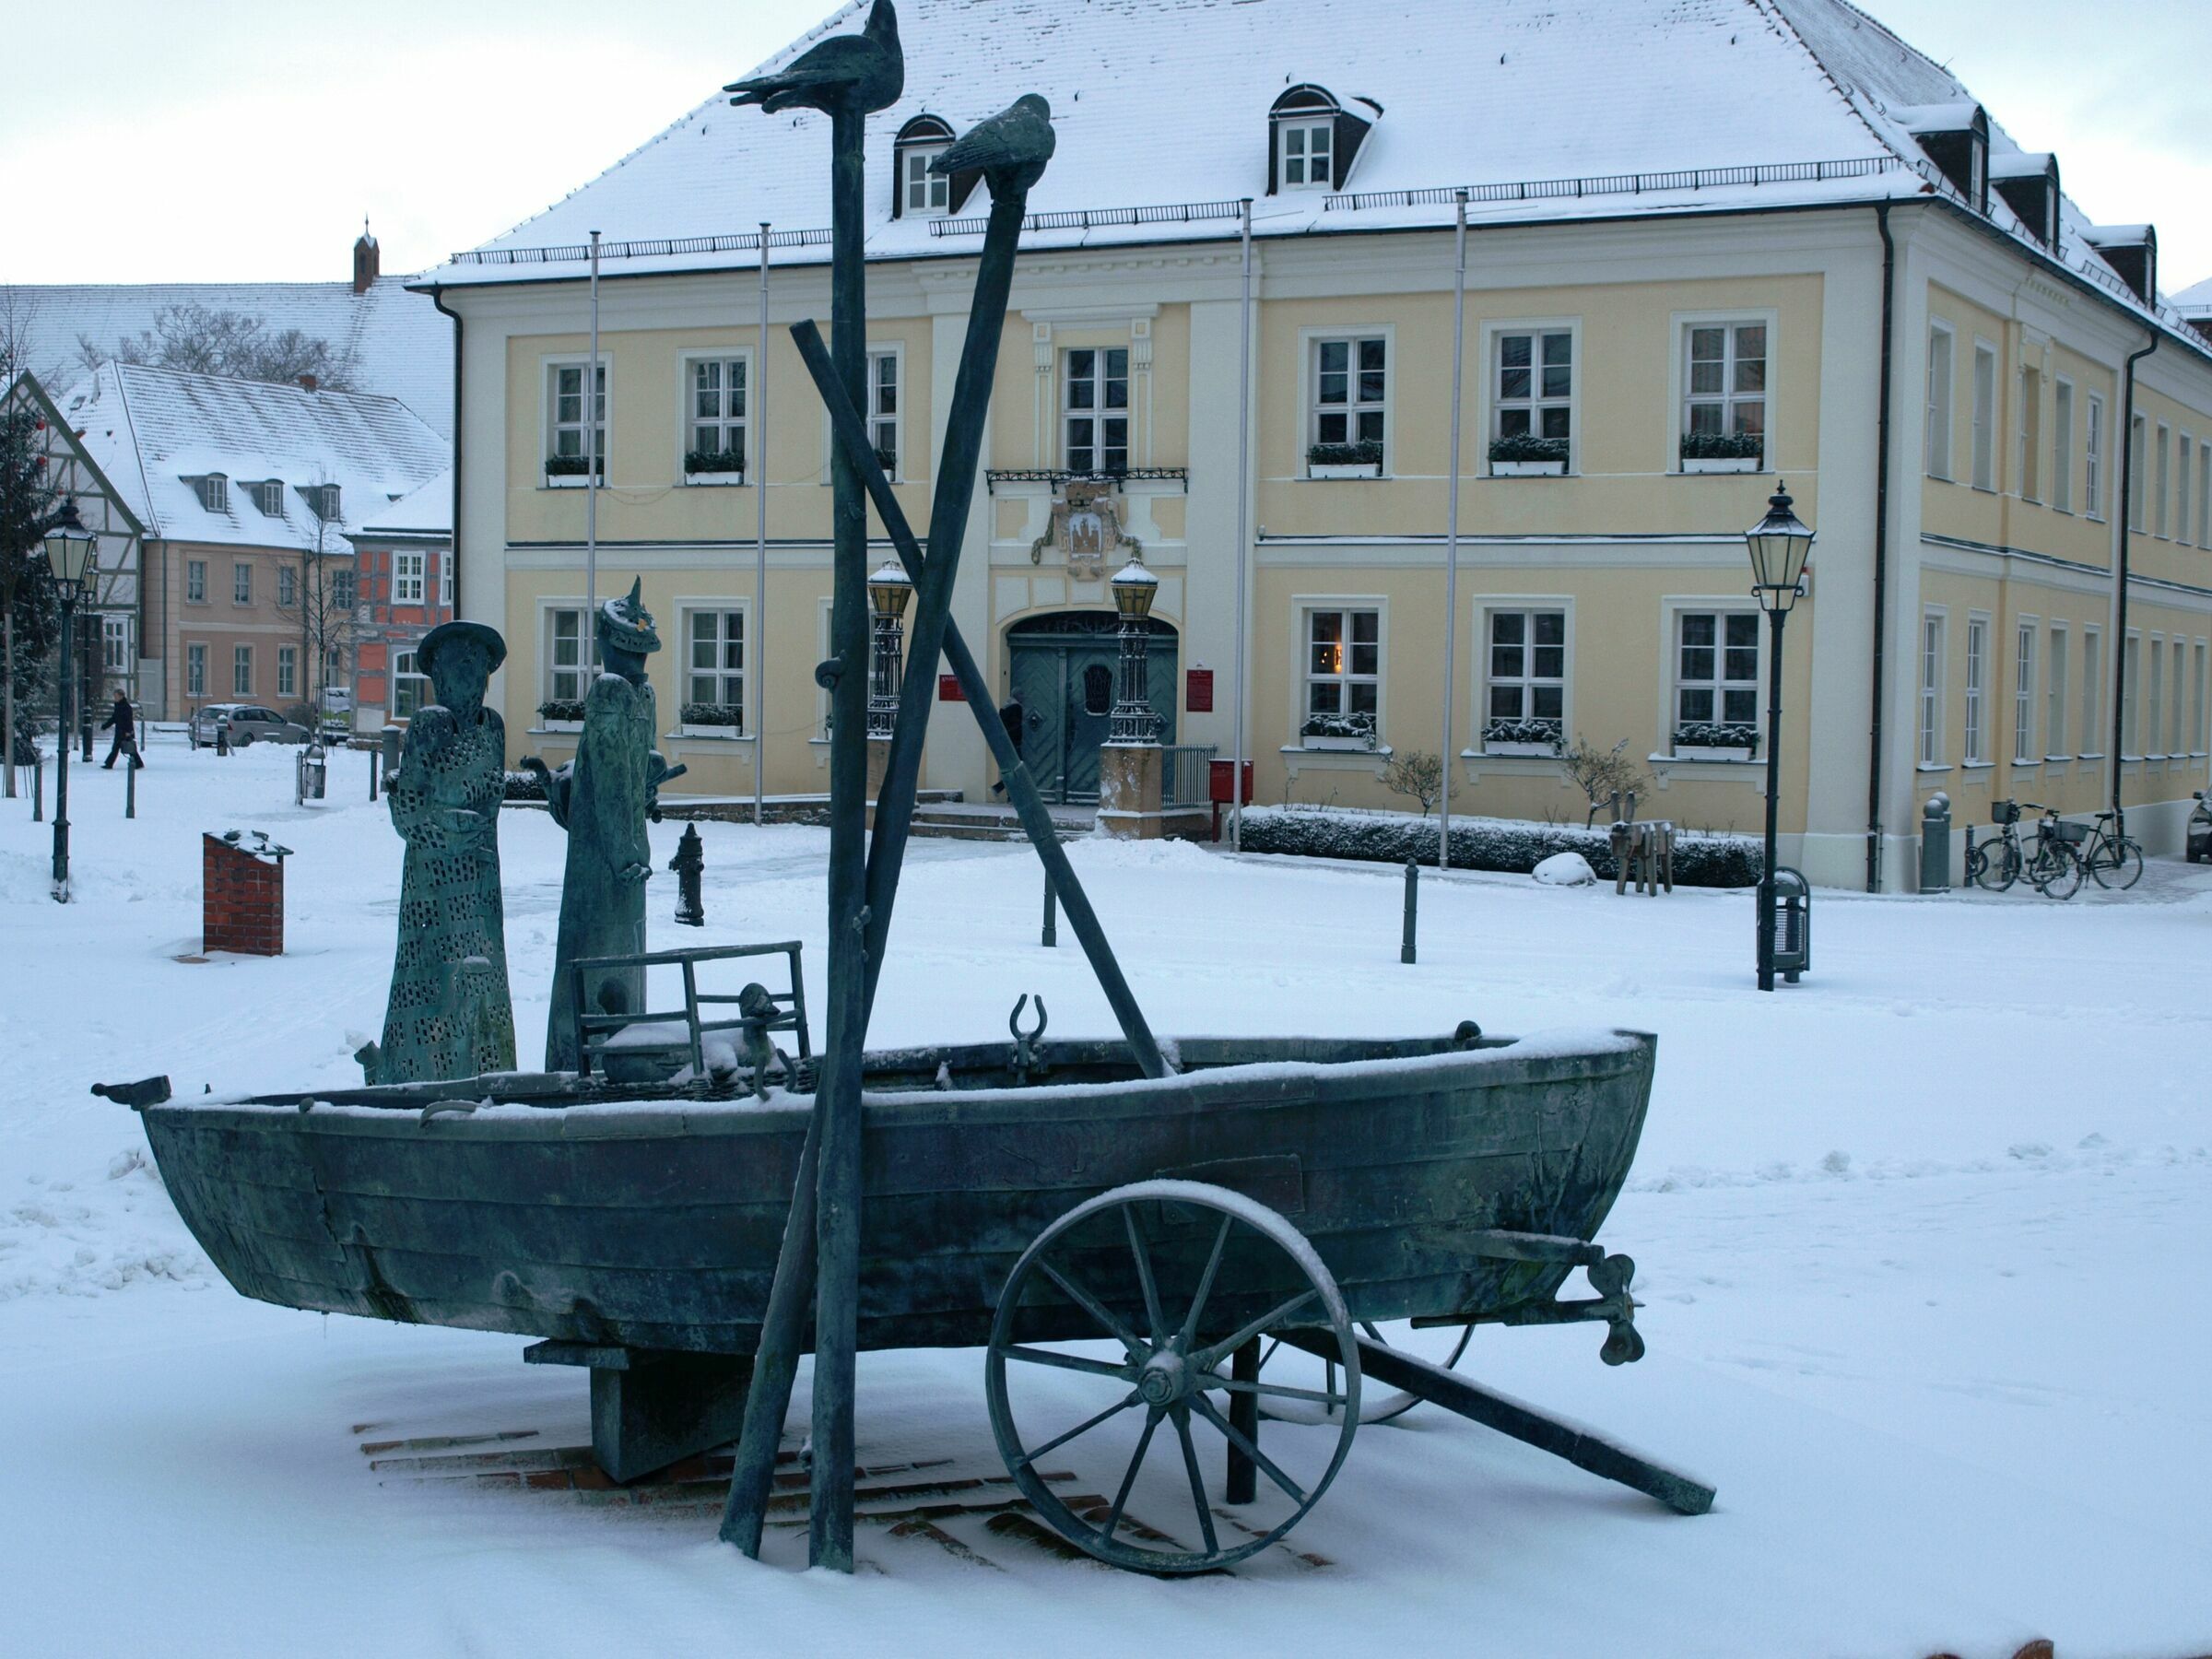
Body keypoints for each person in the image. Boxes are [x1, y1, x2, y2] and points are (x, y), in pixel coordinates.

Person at [527, 580, 684, 1072]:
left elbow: (618, 783)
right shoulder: (643, 694)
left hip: (607, 862)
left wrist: (624, 855)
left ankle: (583, 1062)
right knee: (621, 960)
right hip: (624, 860)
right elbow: (628, 772)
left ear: (604, 641)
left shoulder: (611, 692)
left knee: (590, 961)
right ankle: (612, 1052)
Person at [367, 621, 517, 1085]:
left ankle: (486, 1072)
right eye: (460, 661)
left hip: (480, 879)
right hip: (434, 884)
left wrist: (474, 830)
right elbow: (409, 811)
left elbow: (491, 801)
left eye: (478, 662)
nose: (471, 670)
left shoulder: (492, 726)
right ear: (440, 673)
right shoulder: (430, 724)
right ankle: (423, 1076)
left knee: (484, 977)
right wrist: (447, 828)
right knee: (434, 978)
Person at [99, 691, 144, 769]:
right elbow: (114, 718)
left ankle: (109, 764)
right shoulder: (119, 706)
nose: (115, 698)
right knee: (122, 748)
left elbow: (128, 721)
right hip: (120, 731)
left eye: (116, 696)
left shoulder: (126, 707)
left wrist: (128, 732)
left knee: (126, 748)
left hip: (124, 732)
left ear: (121, 696)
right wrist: (105, 726)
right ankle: (138, 763)